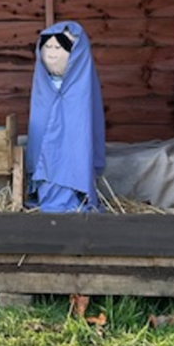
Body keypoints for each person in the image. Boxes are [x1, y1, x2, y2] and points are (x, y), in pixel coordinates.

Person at [25, 21, 106, 212]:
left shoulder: (82, 89)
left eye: (58, 47)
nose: (51, 53)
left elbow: (83, 125)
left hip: (72, 158)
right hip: (46, 168)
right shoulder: (42, 87)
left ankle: (73, 197)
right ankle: (46, 195)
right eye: (47, 47)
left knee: (74, 149)